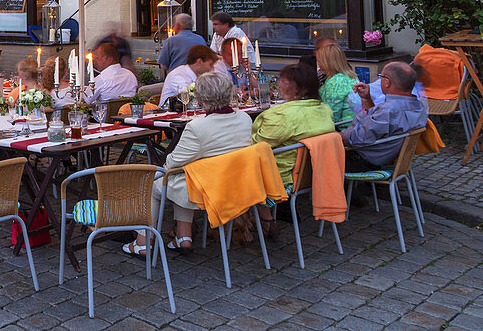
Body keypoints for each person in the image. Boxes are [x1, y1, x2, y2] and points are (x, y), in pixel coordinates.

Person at [127, 72, 253, 257]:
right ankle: (182, 237)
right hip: (234, 185)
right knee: (184, 175)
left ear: (200, 99)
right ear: (229, 94)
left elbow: (172, 163)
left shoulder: (198, 127)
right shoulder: (244, 119)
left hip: (206, 188)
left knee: (156, 181)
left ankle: (143, 243)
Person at [251, 63, 335, 235]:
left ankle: (261, 221)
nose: (278, 84)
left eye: (282, 80)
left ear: (297, 88)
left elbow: (257, 144)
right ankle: (264, 219)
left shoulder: (282, 116)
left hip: (281, 177)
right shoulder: (325, 110)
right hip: (314, 174)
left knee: (236, 166)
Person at [341, 62, 428, 172]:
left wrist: (334, 136)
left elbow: (355, 139)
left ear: (387, 82)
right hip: (388, 156)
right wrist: (366, 98)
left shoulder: (388, 110)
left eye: (381, 77)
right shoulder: (419, 107)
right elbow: (372, 123)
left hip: (366, 160)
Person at [315, 43, 359, 124]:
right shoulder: (350, 76)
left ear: (329, 62)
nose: (318, 65)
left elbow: (332, 115)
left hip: (344, 128)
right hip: (356, 124)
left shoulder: (336, 82)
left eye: (320, 61)